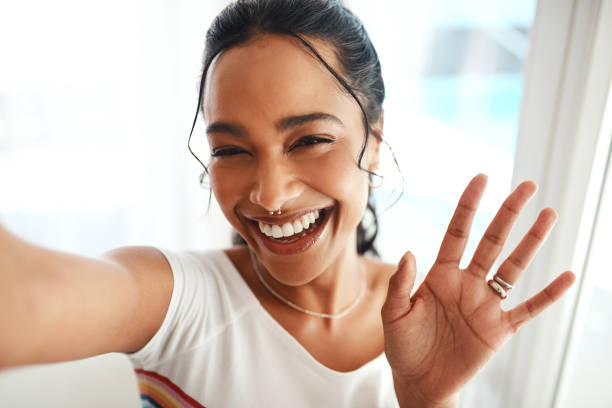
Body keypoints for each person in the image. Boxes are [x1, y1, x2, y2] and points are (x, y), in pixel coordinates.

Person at [0, 0, 576, 407]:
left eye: (308, 140)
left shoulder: (438, 324)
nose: (269, 195)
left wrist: (430, 402)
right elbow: (24, 299)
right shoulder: (178, 303)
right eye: (231, 149)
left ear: (373, 138)